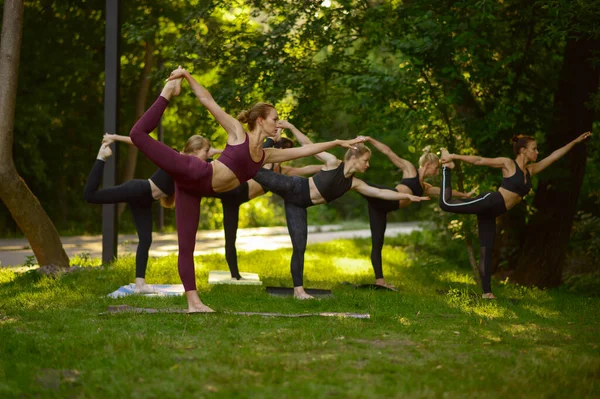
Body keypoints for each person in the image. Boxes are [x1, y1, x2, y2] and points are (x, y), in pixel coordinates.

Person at [130, 67, 364, 312]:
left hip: (194, 190)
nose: (278, 123)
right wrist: (187, 77)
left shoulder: (265, 154)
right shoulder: (237, 133)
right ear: (261, 120)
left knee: (187, 246)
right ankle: (167, 91)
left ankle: (194, 303)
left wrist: (338, 142)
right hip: (193, 171)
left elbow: (306, 150)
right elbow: (207, 100)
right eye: (275, 118)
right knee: (137, 134)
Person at [253, 122, 430, 299]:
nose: (367, 165)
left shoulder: (354, 183)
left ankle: (299, 291)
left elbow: (380, 192)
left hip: (298, 205)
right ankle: (265, 141)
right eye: (365, 160)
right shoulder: (332, 162)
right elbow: (308, 146)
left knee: (299, 247)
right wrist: (292, 127)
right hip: (294, 188)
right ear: (354, 158)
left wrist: (407, 197)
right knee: (253, 169)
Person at [439, 131, 592, 298]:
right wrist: (453, 156)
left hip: (492, 213)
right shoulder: (508, 164)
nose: (537, 152)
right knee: (446, 204)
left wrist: (575, 141)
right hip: (490, 201)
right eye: (534, 149)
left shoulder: (530, 170)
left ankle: (487, 293)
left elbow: (554, 156)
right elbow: (480, 160)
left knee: (486, 250)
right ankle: (446, 167)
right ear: (523, 150)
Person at [84, 133, 217, 293]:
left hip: (145, 200)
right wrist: (114, 137)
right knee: (91, 196)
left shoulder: (192, 165)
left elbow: (216, 163)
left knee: (146, 239)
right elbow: (142, 142)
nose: (208, 155)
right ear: (195, 150)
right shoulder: (173, 156)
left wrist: (218, 151)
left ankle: (140, 284)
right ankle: (101, 156)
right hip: (137, 190)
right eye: (206, 150)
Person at [359, 137, 477, 289]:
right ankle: (337, 174)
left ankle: (380, 282)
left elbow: (443, 192)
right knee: (355, 183)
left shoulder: (424, 187)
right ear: (428, 164)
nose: (436, 172)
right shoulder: (410, 170)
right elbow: (388, 152)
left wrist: (464, 195)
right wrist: (369, 140)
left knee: (377, 244)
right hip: (384, 197)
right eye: (436, 168)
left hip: (380, 209)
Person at [216, 133, 323, 280]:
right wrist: (272, 138)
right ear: (278, 149)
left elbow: (306, 169)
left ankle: (235, 276)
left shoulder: (282, 171)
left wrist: (328, 166)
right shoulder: (266, 162)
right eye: (285, 150)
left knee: (230, 238)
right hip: (232, 190)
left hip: (234, 202)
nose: (287, 154)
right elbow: (257, 152)